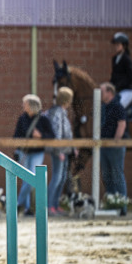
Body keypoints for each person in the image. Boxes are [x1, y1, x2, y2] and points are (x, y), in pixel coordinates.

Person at [12, 94, 54, 216]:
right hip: (24, 152)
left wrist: (40, 136)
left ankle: (19, 204)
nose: (23, 106)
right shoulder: (22, 119)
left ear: (31, 105)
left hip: (37, 152)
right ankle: (27, 208)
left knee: (30, 178)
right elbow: (16, 136)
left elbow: (51, 136)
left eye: (25, 104)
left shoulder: (43, 119)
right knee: (26, 178)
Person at [44, 86, 74, 217]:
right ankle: (49, 206)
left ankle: (55, 205)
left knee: (62, 178)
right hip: (59, 151)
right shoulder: (56, 112)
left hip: (65, 150)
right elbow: (57, 132)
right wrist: (59, 150)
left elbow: (67, 132)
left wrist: (73, 148)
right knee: (56, 177)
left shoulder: (63, 112)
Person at [99, 81, 128, 215]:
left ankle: (122, 205)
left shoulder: (117, 106)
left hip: (114, 147)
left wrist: (115, 142)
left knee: (117, 175)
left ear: (109, 92)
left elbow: (121, 124)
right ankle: (111, 203)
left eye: (102, 91)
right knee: (107, 176)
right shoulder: (103, 107)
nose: (100, 94)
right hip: (103, 146)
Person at [110, 32, 132, 109]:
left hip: (127, 91)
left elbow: (131, 78)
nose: (116, 47)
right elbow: (114, 76)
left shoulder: (127, 60)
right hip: (118, 91)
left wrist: (117, 85)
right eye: (115, 45)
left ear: (124, 46)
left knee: (117, 108)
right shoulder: (114, 59)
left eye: (118, 45)